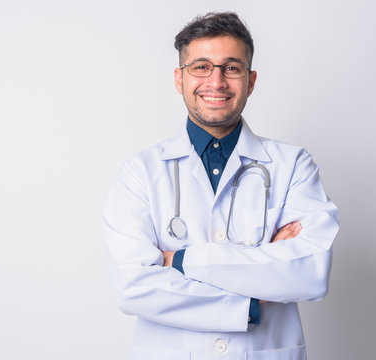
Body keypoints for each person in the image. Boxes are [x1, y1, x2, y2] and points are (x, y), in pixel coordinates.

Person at [103, 12, 339, 360]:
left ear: (251, 80)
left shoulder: (293, 166)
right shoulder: (141, 171)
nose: (216, 81)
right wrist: (253, 296)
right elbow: (133, 288)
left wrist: (180, 261)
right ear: (179, 79)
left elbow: (310, 273)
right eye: (201, 67)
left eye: (232, 67)